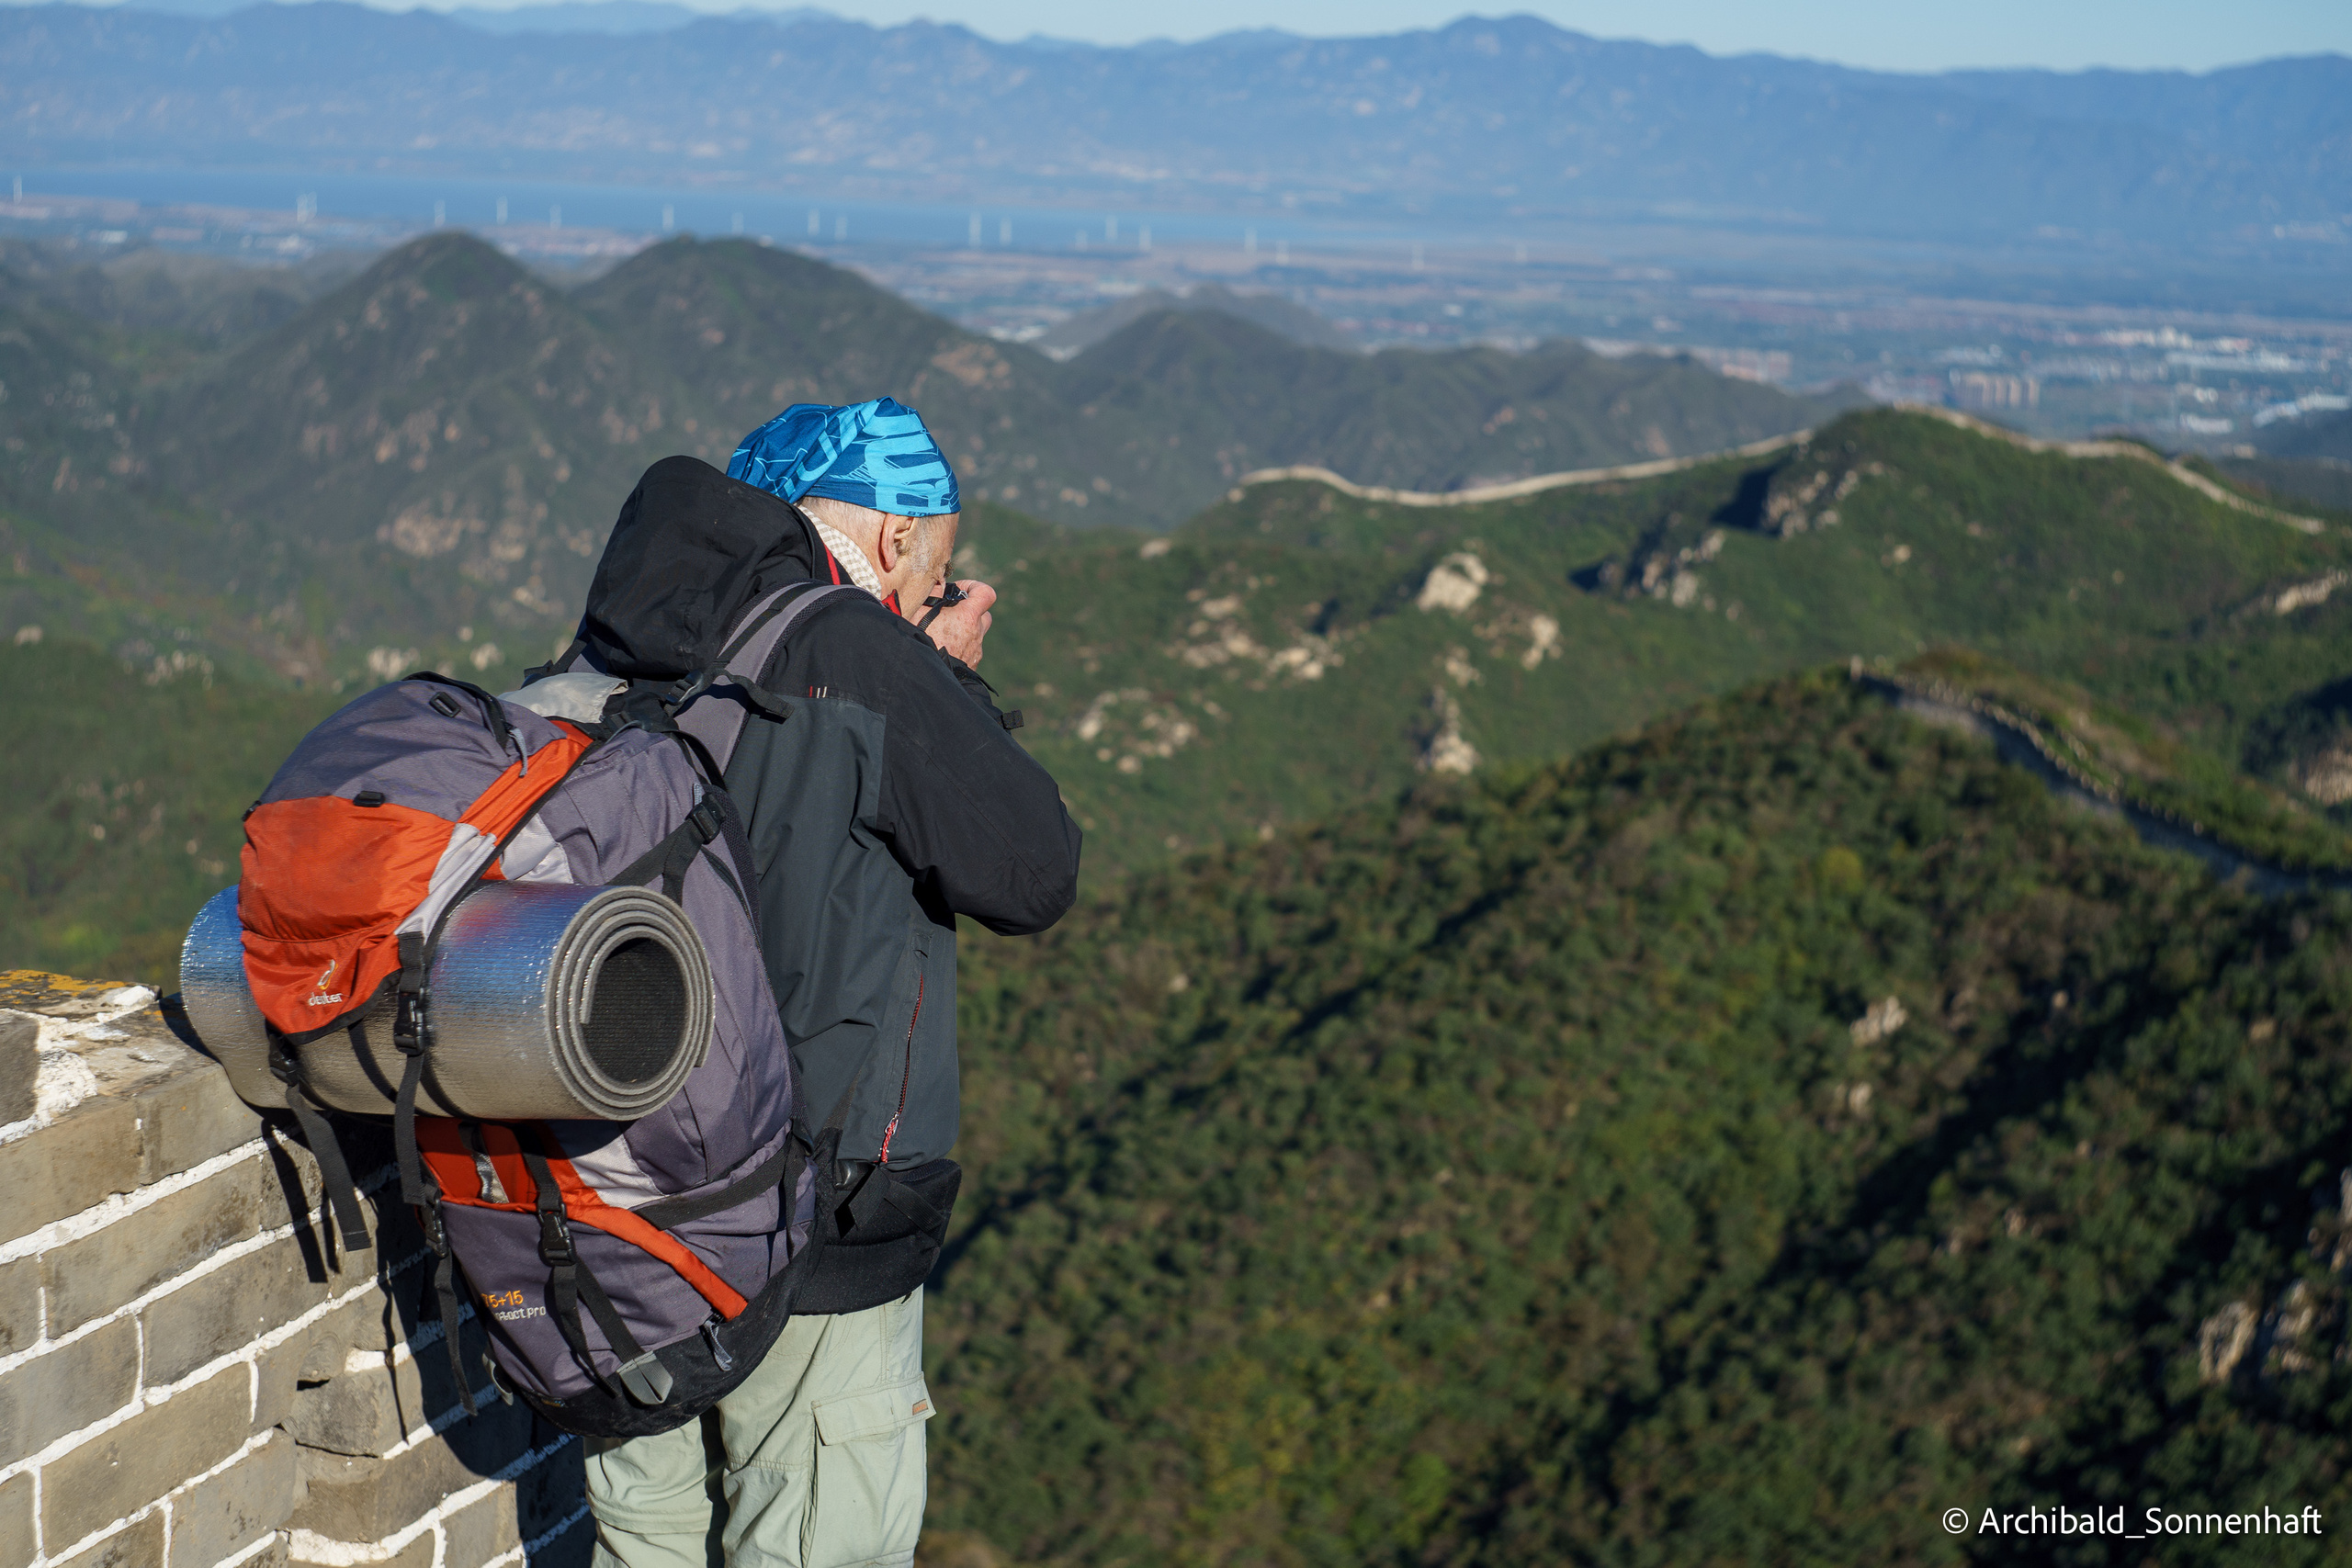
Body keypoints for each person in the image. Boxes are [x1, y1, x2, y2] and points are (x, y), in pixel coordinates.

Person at [573, 398, 1081, 1568]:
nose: (932, 587)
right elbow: (1031, 872)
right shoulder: (854, 648)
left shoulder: (628, 630)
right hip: (812, 1201)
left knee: (643, 1536)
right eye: (937, 561)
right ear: (899, 540)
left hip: (612, 1191)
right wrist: (934, 679)